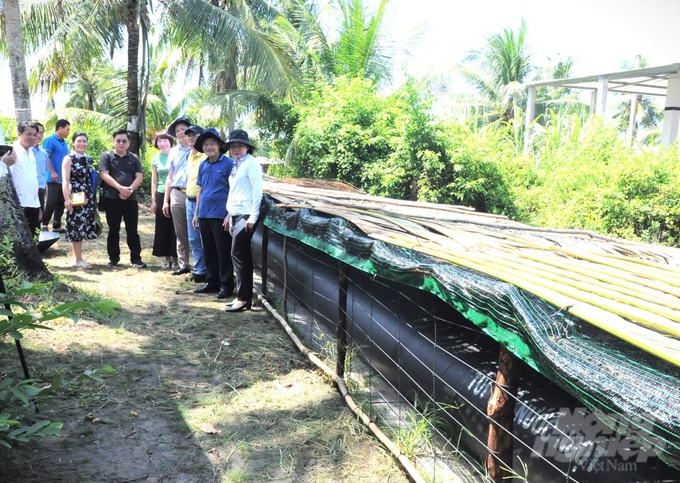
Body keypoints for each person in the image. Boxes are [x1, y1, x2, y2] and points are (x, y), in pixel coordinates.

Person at [223, 129, 263, 313]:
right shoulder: (237, 164)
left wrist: (253, 217)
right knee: (238, 254)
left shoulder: (251, 164)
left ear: (247, 147)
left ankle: (244, 297)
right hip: (238, 215)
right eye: (233, 146)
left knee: (239, 254)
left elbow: (257, 192)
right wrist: (231, 216)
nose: (236, 149)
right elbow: (235, 192)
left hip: (246, 216)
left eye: (239, 145)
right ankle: (242, 296)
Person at [192, 128, 234, 299]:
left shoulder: (229, 163)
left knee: (223, 251)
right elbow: (200, 189)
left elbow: (235, 189)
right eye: (206, 144)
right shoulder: (203, 164)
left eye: (212, 143)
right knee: (208, 249)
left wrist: (230, 213)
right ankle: (212, 282)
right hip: (204, 213)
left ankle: (226, 285)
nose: (209, 147)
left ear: (219, 145)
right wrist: (196, 213)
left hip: (221, 214)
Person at [99, 129, 146, 268]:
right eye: (118, 140)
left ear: (129, 143)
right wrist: (120, 189)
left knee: (132, 230)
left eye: (124, 141)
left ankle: (136, 258)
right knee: (113, 230)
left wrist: (130, 190)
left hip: (131, 200)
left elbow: (139, 177)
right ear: (113, 142)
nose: (121, 143)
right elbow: (105, 175)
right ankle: (113, 259)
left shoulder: (134, 158)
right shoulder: (106, 156)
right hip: (112, 199)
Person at [162, 117, 194, 277]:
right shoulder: (173, 151)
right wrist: (166, 200)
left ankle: (202, 265)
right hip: (177, 192)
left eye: (183, 129)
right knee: (180, 231)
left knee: (197, 230)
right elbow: (170, 176)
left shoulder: (198, 149)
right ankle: (183, 264)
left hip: (194, 194)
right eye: (177, 131)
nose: (181, 133)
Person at [62, 132, 97, 268]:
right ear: (73, 143)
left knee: (83, 226)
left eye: (84, 141)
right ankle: (77, 259)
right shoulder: (68, 158)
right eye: (79, 141)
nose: (82, 144)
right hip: (74, 195)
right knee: (76, 225)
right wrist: (66, 199)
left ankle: (79, 257)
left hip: (87, 196)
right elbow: (65, 181)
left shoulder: (88, 159)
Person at [150, 131, 178, 269]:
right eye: (159, 141)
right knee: (163, 226)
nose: (162, 143)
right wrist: (153, 200)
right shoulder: (155, 159)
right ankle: (167, 259)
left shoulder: (178, 155)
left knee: (176, 227)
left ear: (170, 141)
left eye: (165, 140)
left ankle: (176, 258)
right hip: (161, 194)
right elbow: (154, 181)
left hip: (177, 193)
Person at [184, 125, 208, 284]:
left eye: (195, 135)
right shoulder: (189, 156)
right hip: (189, 200)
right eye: (189, 135)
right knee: (193, 239)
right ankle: (200, 270)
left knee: (205, 238)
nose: (192, 138)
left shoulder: (206, 156)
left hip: (203, 203)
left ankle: (209, 271)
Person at [9, 121, 41, 236]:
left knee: (34, 239)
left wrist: (38, 205)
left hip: (33, 204)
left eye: (34, 134)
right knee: (22, 241)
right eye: (28, 134)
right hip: (19, 205)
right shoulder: (12, 152)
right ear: (19, 134)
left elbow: (33, 180)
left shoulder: (31, 153)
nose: (32, 137)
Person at [41, 119, 70, 233]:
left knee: (61, 202)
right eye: (67, 129)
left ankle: (56, 225)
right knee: (51, 202)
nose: (68, 132)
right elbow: (46, 157)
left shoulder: (64, 142)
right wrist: (52, 172)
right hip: (52, 178)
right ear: (60, 128)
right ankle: (44, 223)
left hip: (63, 179)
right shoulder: (49, 140)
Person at [32, 122, 49, 212]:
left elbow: (45, 171)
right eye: (36, 132)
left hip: (40, 191)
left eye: (41, 133)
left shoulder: (44, 153)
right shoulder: (21, 152)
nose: (38, 135)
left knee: (38, 221)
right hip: (27, 192)